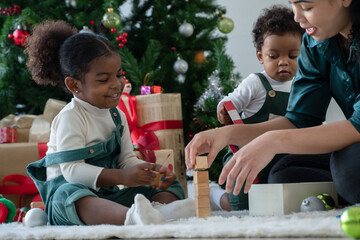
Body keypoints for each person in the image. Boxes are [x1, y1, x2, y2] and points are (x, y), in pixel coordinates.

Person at [186, 0, 360, 207]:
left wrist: (273, 141)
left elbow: (356, 125)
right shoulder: (315, 43)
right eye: (293, 5)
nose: (296, 17)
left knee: (349, 171)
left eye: (307, 7)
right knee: (283, 176)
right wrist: (226, 134)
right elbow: (299, 120)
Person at [25, 20, 194, 226]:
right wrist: (122, 176)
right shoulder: (71, 117)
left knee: (169, 184)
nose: (117, 84)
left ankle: (158, 212)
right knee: (72, 196)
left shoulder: (116, 116)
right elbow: (72, 172)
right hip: (70, 195)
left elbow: (126, 160)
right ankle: (131, 218)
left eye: (119, 74)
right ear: (74, 85)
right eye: (104, 80)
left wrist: (149, 171)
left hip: (106, 194)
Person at [212, 5, 304, 211]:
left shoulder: (303, 85)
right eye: (274, 56)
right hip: (246, 153)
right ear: (260, 56)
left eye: (292, 56)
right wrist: (224, 110)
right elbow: (231, 101)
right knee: (241, 204)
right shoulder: (256, 83)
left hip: (284, 155)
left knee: (280, 199)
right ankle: (216, 197)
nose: (283, 62)